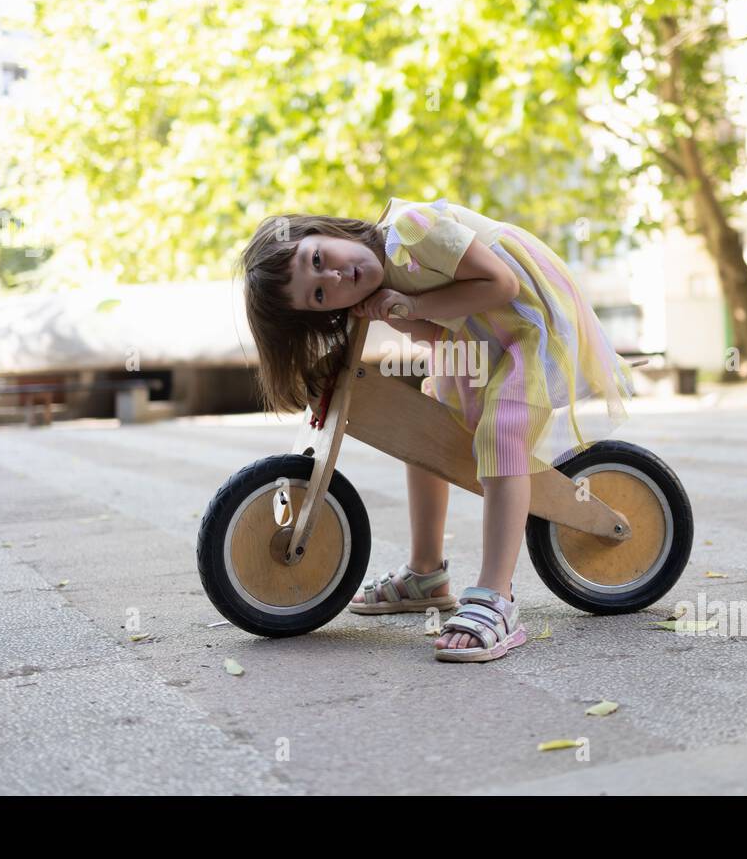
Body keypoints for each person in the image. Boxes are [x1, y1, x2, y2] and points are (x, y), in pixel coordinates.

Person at [240, 195, 637, 662]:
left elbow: (501, 283)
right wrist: (404, 315)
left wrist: (413, 302)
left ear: (327, 230)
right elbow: (437, 332)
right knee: (425, 424)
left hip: (534, 326)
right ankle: (426, 572)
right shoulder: (376, 290)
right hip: (486, 336)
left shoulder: (412, 229)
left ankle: (497, 597)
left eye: (319, 259)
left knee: (501, 434)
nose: (334, 277)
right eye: (320, 295)